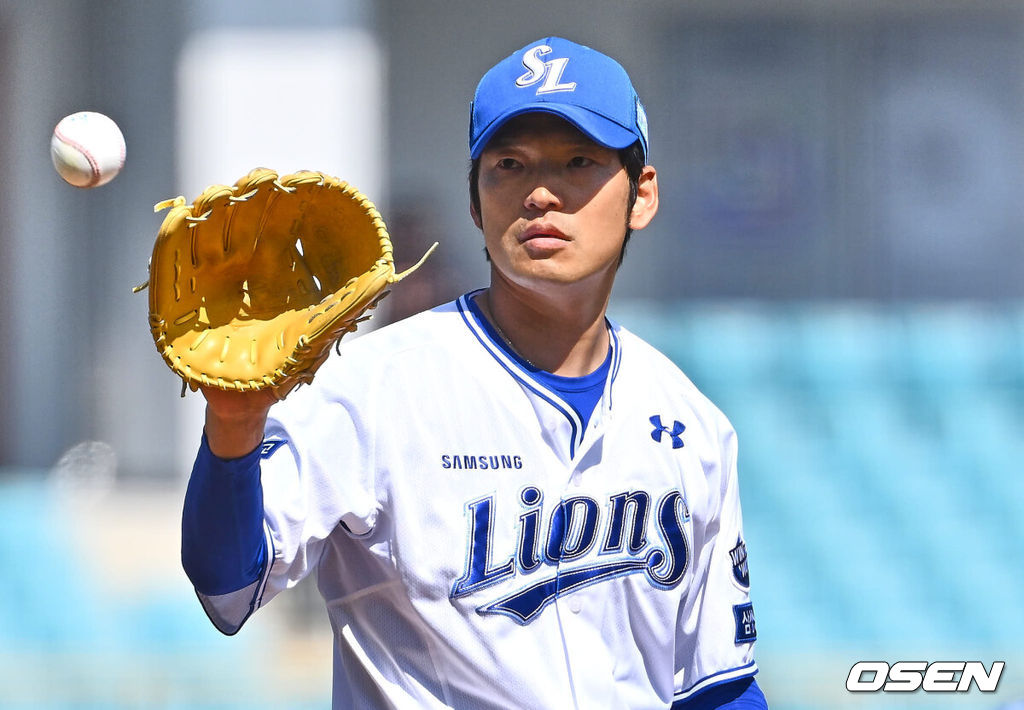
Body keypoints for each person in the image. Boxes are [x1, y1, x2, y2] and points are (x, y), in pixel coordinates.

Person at [180, 36, 768, 709]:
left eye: (578, 161)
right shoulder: (372, 390)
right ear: (474, 203)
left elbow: (718, 688)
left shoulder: (692, 424)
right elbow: (226, 587)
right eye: (508, 165)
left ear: (641, 194)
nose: (540, 193)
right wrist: (232, 427)